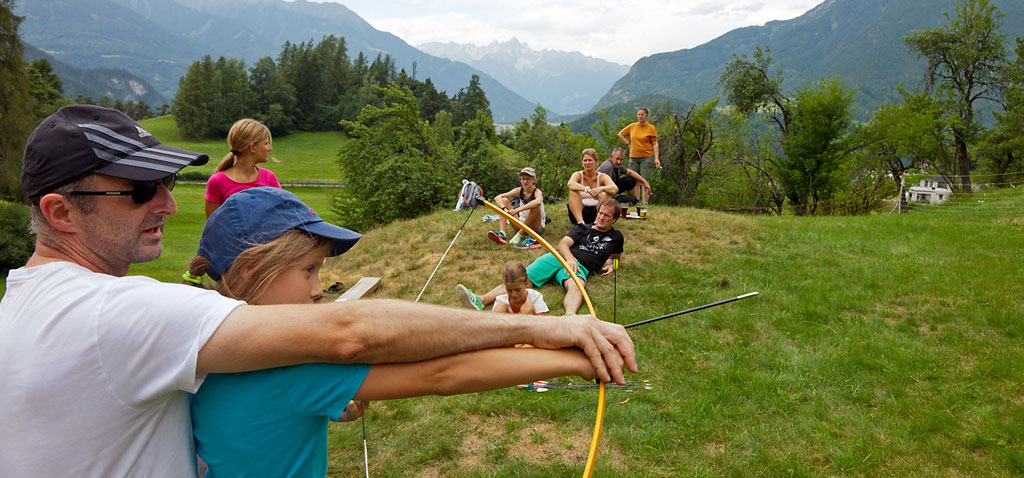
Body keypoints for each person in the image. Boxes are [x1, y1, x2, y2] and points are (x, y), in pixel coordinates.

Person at [1, 105, 637, 476]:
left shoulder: (28, 303)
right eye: (140, 189)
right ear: (60, 212)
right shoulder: (115, 314)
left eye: (166, 183)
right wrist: (557, 334)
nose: (168, 202)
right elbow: (358, 337)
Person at [188, 188, 583, 476]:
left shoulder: (196, 349)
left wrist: (326, 401)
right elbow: (441, 374)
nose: (316, 288)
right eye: (308, 270)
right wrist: (572, 358)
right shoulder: (293, 366)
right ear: (251, 272)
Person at [459, 199, 624, 315]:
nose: (601, 217)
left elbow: (615, 256)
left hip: (581, 268)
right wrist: (570, 259)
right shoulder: (583, 228)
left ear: (615, 219)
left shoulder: (617, 237)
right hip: (559, 258)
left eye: (607, 215)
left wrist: (612, 265)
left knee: (577, 285)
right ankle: (481, 300)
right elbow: (563, 244)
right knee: (521, 279)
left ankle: (570, 317)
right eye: (600, 213)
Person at [204, 118, 281, 218]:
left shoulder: (269, 178)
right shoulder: (217, 181)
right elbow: (213, 226)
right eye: (266, 143)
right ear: (252, 147)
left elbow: (281, 218)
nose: (269, 148)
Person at [456, 261, 549, 315]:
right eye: (509, 290)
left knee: (527, 309)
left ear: (527, 283)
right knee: (500, 308)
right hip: (509, 337)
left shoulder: (535, 298)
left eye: (518, 290)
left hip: (528, 337)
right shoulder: (501, 301)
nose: (514, 294)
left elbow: (543, 325)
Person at [488, 166, 546, 250]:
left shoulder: (537, 192)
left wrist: (517, 210)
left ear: (534, 180)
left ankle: (519, 235)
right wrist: (505, 209)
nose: (525, 181)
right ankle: (502, 234)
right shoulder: (519, 190)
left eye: (528, 179)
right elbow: (498, 197)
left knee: (535, 207)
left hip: (535, 227)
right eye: (523, 179)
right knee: (504, 200)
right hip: (521, 223)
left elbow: (538, 202)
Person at [617, 108, 659, 204]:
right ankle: (636, 201)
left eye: (642, 114)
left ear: (647, 116)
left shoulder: (651, 128)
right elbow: (620, 134)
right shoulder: (632, 126)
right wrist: (628, 143)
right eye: (639, 114)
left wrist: (656, 158)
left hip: (647, 156)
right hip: (634, 157)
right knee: (634, 181)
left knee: (645, 180)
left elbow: (655, 143)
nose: (640, 116)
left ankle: (644, 203)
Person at [567, 148, 618, 225]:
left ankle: (596, 222)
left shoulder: (602, 176)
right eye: (585, 160)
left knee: (606, 193)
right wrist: (586, 189)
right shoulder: (577, 175)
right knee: (573, 191)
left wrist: (601, 188)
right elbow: (570, 184)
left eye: (590, 160)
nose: (587, 163)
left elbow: (614, 188)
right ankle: (580, 223)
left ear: (596, 162)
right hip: (580, 212)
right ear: (582, 162)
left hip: (598, 212)